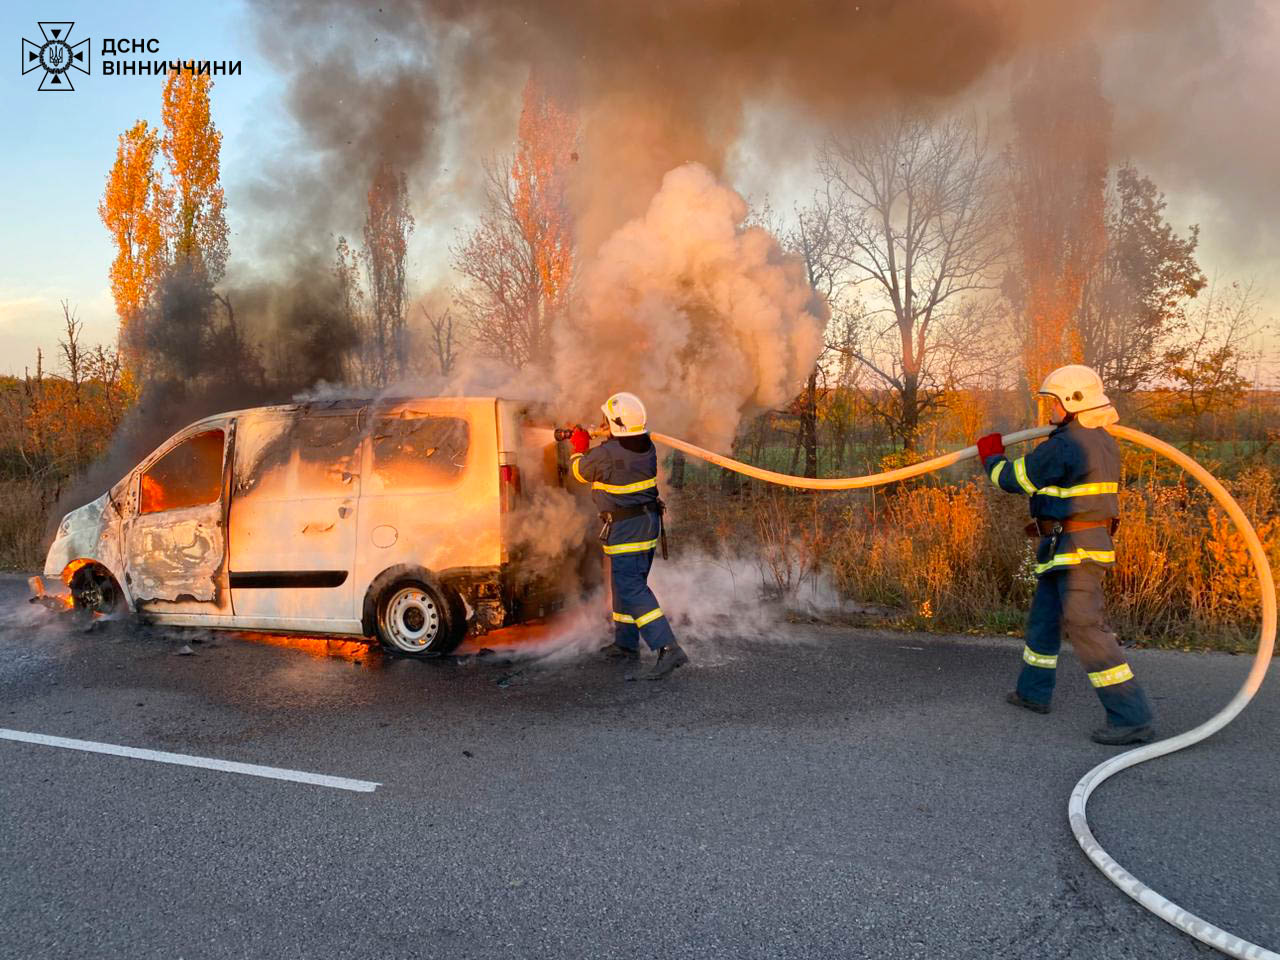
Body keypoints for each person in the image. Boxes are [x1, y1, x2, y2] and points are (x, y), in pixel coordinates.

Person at [977, 364, 1156, 745]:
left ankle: (1131, 717)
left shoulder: (1068, 443)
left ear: (1074, 403)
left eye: (1054, 403)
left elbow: (1013, 480)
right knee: (1044, 621)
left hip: (1077, 551)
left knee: (1085, 627)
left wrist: (990, 457)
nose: (1050, 412)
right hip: (1064, 549)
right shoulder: (1099, 438)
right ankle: (1033, 693)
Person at [567, 392, 689, 681]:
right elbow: (618, 453)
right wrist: (607, 436)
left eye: (607, 421)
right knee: (624, 585)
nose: (603, 423)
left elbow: (580, 472)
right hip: (644, 524)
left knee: (631, 588)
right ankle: (625, 644)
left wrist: (579, 447)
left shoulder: (606, 455)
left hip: (627, 529)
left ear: (617, 425)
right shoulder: (645, 446)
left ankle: (668, 647)